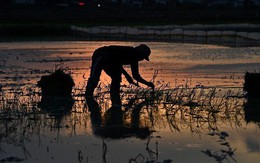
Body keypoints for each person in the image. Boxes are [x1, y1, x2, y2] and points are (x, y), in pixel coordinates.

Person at [85, 44, 154, 106]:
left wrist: (148, 84)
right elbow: (117, 62)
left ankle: (114, 94)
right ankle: (88, 95)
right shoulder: (130, 52)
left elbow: (136, 76)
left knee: (116, 77)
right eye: (143, 57)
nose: (142, 59)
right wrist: (127, 75)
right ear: (140, 53)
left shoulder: (134, 59)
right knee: (95, 77)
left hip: (110, 60)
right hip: (101, 54)